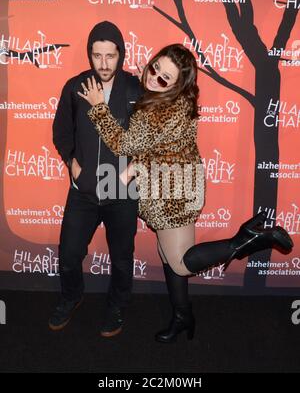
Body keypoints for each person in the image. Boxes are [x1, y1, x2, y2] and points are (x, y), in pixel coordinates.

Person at [79, 44, 294, 343]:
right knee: (167, 256)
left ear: (177, 85)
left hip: (171, 196)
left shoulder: (158, 110)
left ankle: (247, 238)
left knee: (179, 261)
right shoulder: (174, 102)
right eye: (154, 67)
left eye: (164, 78)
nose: (154, 77)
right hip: (179, 186)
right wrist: (138, 166)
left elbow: (124, 145)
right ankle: (183, 317)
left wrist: (98, 107)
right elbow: (156, 148)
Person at [50, 21, 143, 337]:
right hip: (84, 192)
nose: (103, 64)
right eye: (97, 55)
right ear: (90, 54)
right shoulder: (75, 87)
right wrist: (70, 162)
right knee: (68, 254)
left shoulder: (134, 90)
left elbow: (146, 139)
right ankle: (72, 296)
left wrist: (132, 170)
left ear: (121, 54)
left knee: (121, 258)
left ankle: (117, 306)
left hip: (122, 193)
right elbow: (61, 131)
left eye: (110, 56)